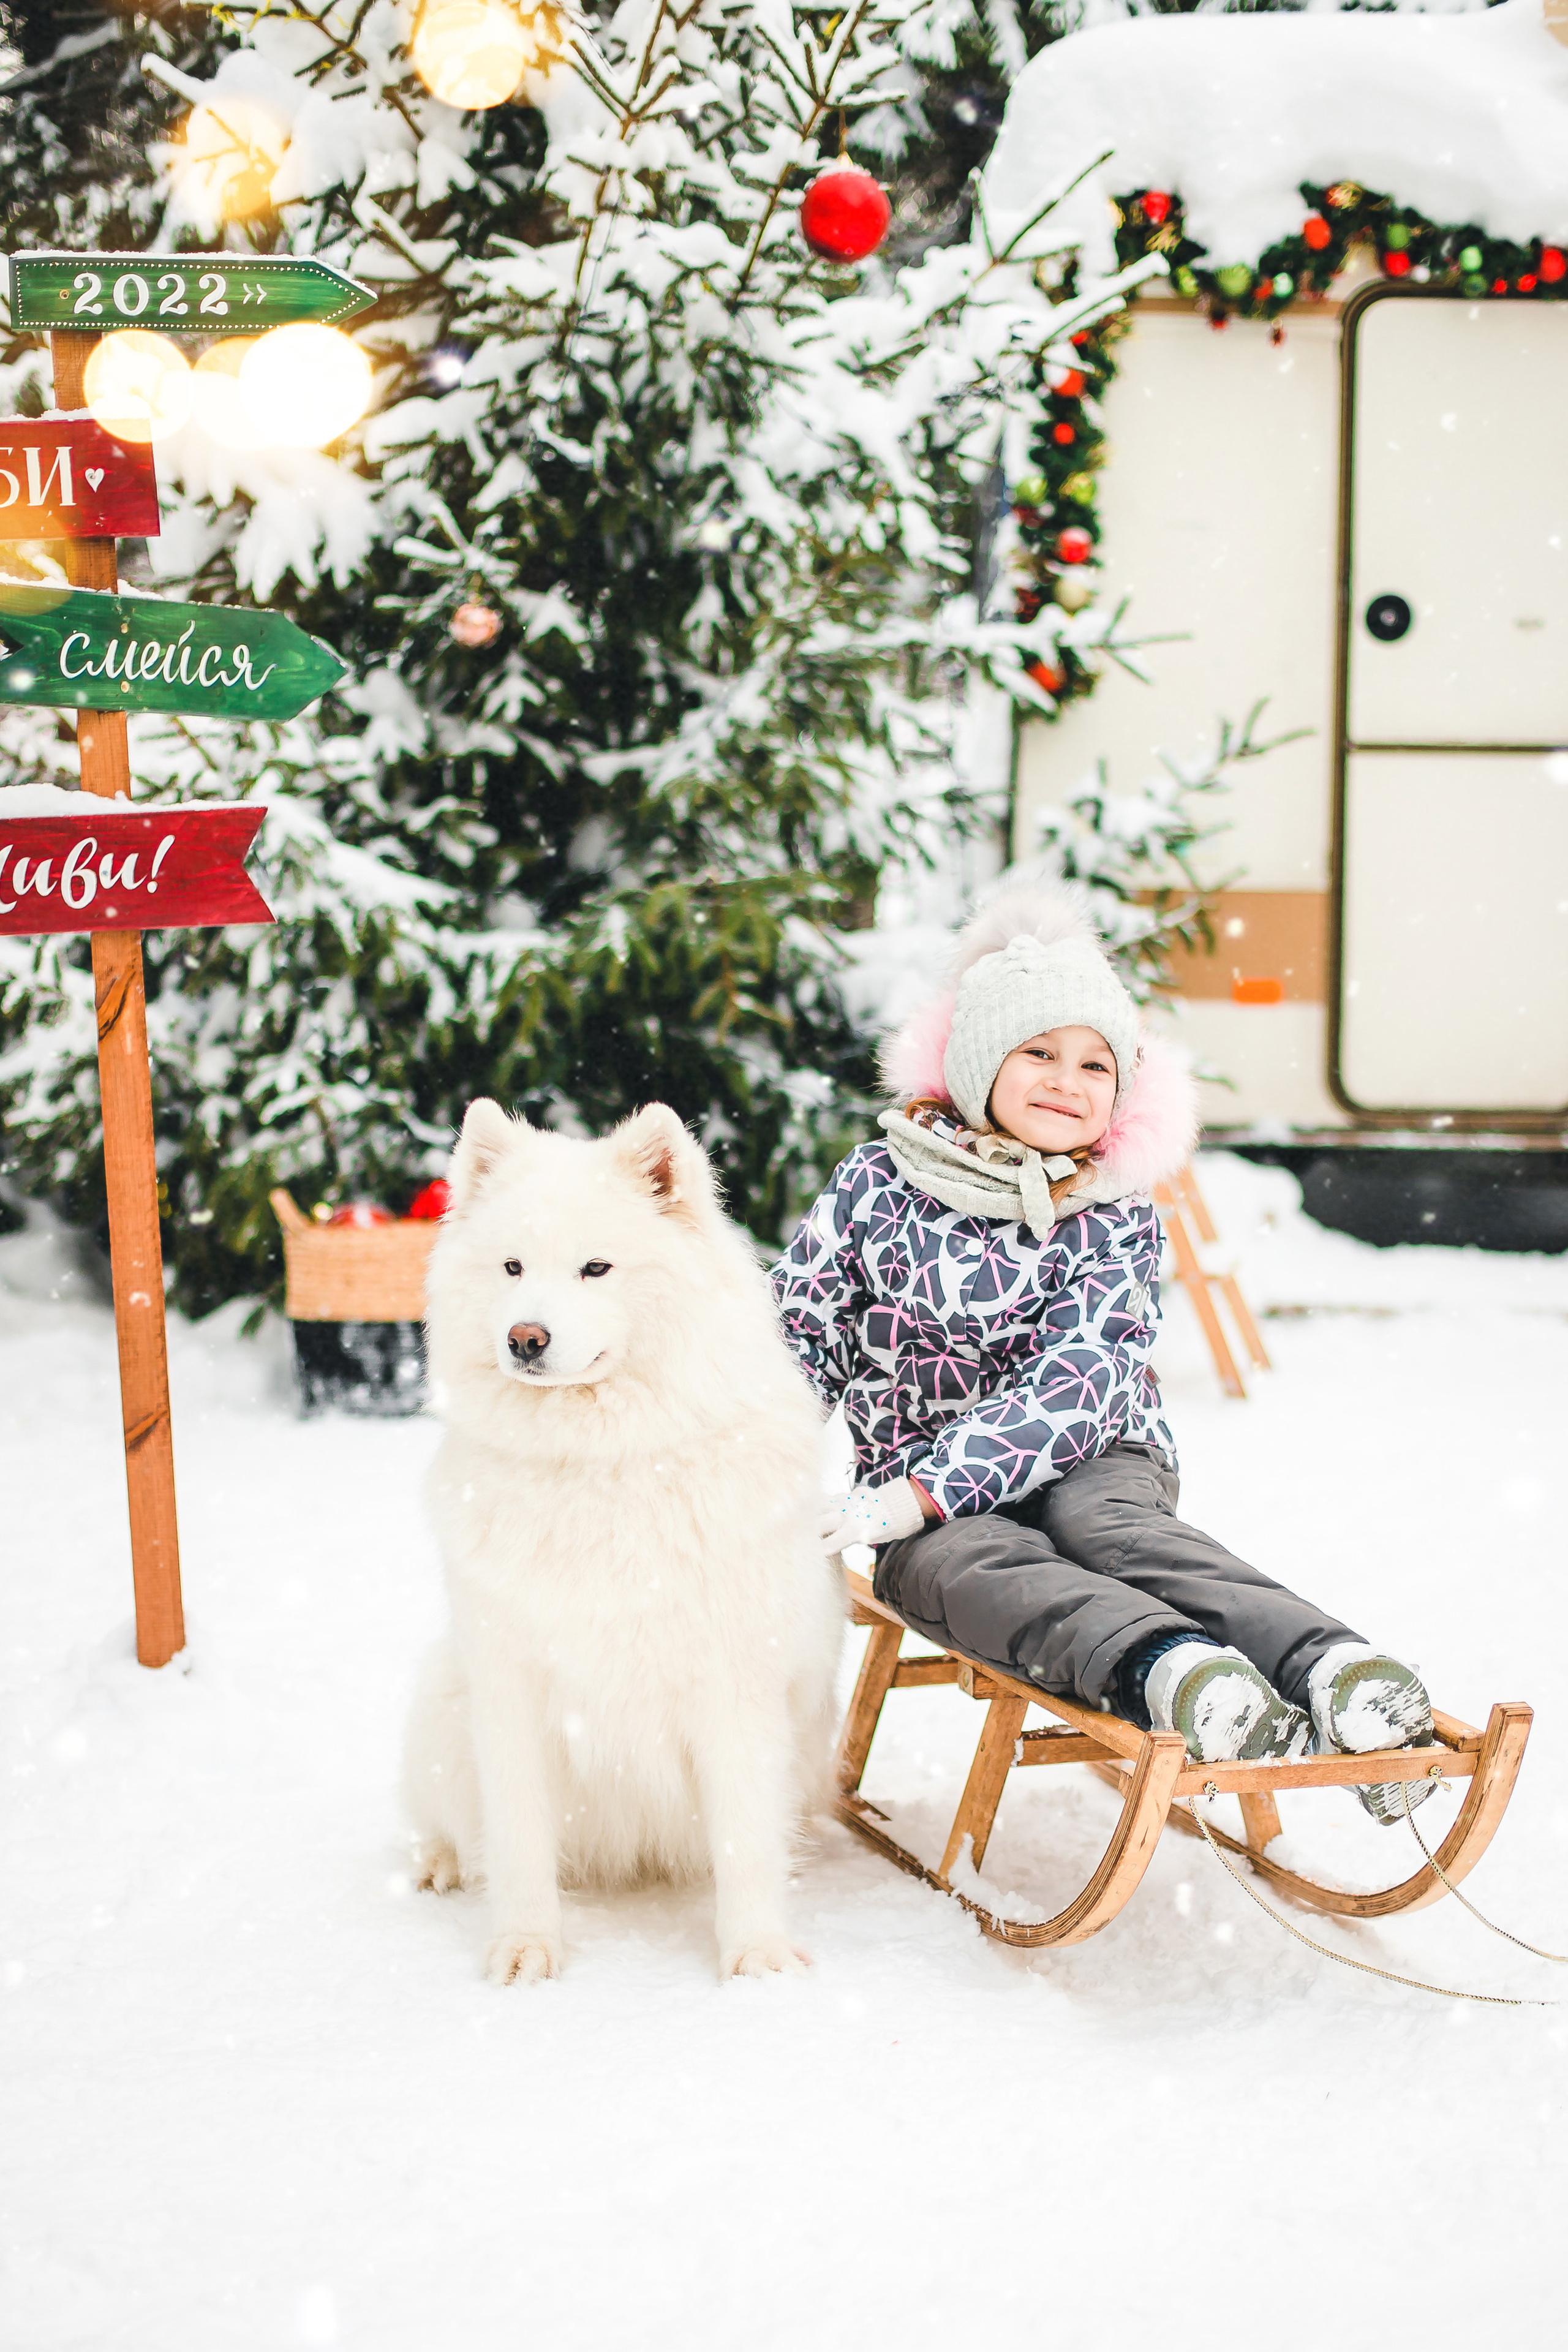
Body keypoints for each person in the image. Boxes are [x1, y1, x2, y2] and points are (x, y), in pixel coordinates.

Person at [771, 883, 1436, 1821]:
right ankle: (1171, 1670)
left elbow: (1081, 1381)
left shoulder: (1113, 1212)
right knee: (961, 1565)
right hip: (915, 1485)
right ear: (975, 1064)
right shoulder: (878, 1183)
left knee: (1113, 1535)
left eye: (1095, 1065)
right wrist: (759, 1459)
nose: (1066, 1080)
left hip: (1092, 1451)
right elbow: (802, 1331)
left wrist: (918, 1491)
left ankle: (1327, 1666)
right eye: (1037, 1052)